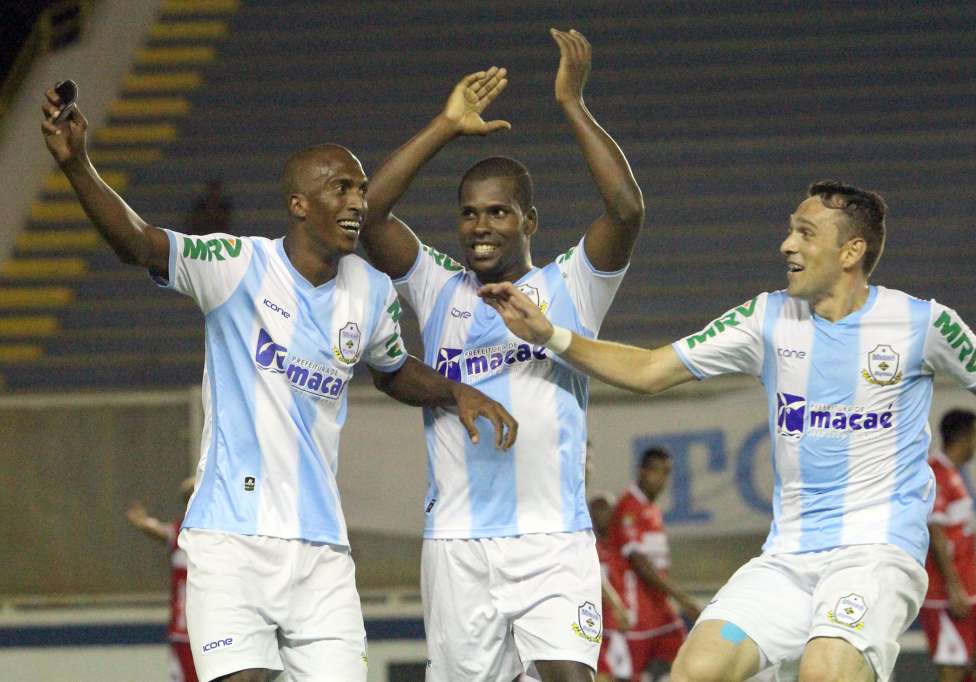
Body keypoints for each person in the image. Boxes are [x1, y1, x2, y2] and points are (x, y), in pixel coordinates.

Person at [41, 83, 516, 682]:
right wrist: (78, 165)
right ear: (298, 204)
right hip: (230, 541)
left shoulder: (370, 290)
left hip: (321, 550)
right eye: (340, 187)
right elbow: (138, 242)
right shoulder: (236, 266)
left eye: (362, 189)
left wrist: (454, 390)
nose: (356, 202)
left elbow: (393, 372)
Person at [478, 180, 976, 682]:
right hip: (789, 559)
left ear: (851, 252)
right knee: (698, 668)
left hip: (876, 553)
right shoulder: (765, 319)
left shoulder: (923, 323)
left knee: (824, 671)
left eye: (805, 233)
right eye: (790, 229)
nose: (787, 244)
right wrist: (551, 334)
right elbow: (648, 370)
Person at [360, 29, 644, 681]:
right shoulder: (437, 286)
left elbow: (625, 210)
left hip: (553, 540)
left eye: (498, 213)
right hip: (458, 546)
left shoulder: (570, 286)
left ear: (530, 222)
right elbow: (368, 218)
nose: (480, 227)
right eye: (468, 214)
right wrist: (445, 126)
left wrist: (572, 104)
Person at [919, 408, 976, 681]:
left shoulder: (954, 475)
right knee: (952, 671)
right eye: (975, 437)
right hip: (944, 593)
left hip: (969, 590)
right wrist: (954, 586)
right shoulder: (936, 473)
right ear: (965, 437)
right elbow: (936, 531)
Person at [608, 447, 701, 682]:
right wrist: (681, 596)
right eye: (655, 471)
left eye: (666, 472)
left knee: (684, 654)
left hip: (659, 607)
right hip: (637, 608)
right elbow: (640, 564)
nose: (661, 479)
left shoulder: (653, 509)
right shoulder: (628, 507)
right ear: (641, 471)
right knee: (631, 675)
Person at [127, 477, 198, 682]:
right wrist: (143, 523)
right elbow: (159, 531)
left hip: (211, 628)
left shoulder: (219, 536)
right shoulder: (179, 535)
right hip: (183, 630)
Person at [591, 491, 633, 682]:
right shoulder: (588, 547)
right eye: (596, 509)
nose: (602, 514)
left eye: (606, 508)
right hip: (597, 627)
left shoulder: (622, 547)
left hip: (621, 627)